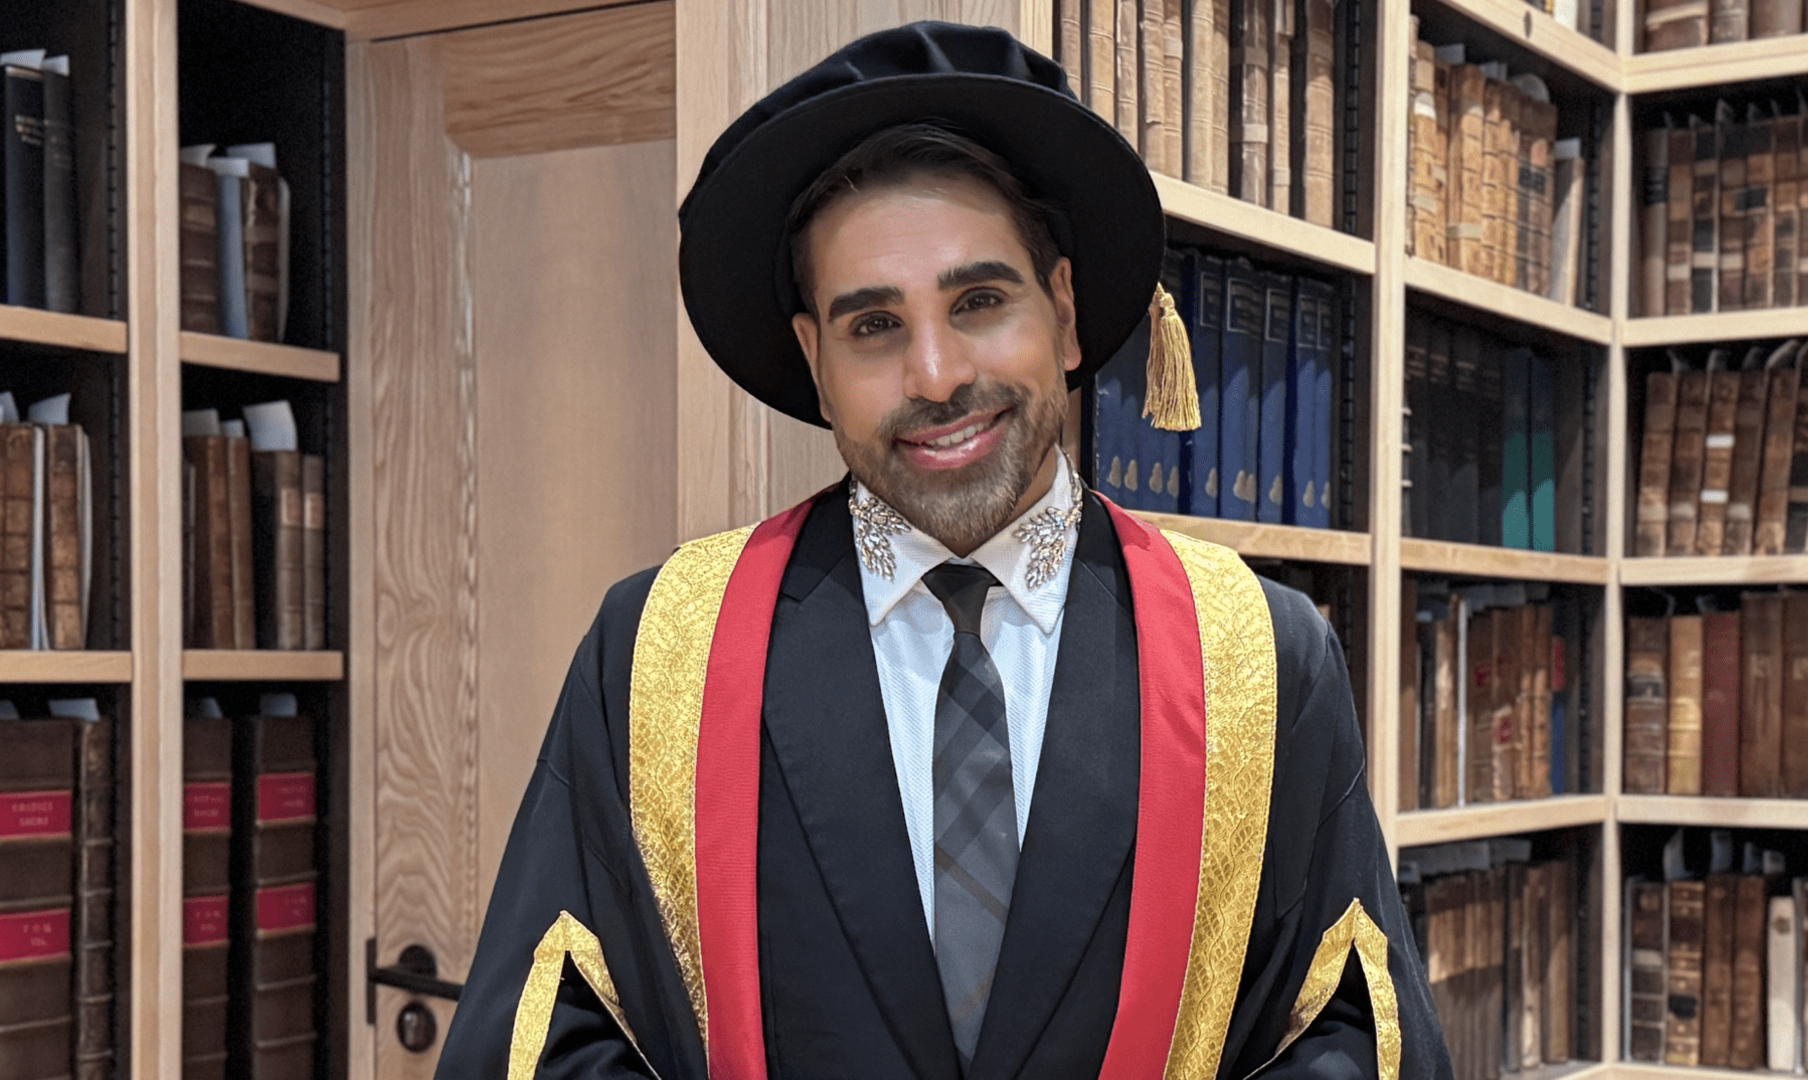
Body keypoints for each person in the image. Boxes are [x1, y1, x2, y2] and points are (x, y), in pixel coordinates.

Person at [435, 20, 1449, 1080]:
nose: (934, 372)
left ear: (1062, 312)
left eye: (979, 301)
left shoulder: (1255, 658)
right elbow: (545, 1042)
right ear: (813, 361)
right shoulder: (657, 656)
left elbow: (1346, 1037)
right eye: (873, 326)